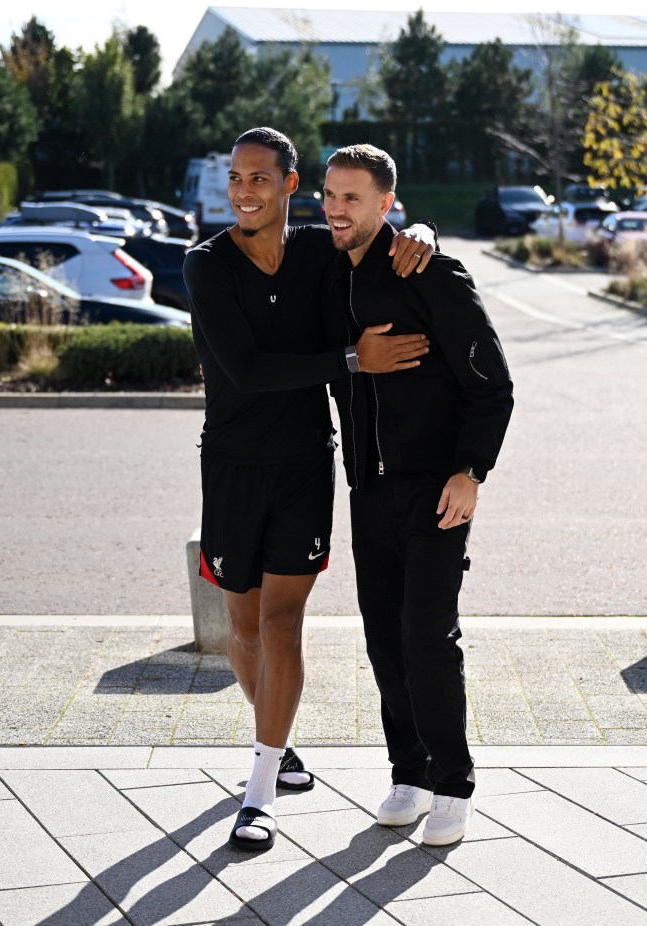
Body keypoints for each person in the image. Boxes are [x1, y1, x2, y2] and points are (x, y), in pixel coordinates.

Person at [182, 127, 438, 852]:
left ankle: (258, 789)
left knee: (281, 624)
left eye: (259, 178)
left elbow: (379, 226)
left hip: (303, 466)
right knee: (242, 624)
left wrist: (419, 228)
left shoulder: (318, 251)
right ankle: (279, 742)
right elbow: (247, 370)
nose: (243, 191)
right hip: (230, 466)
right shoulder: (206, 266)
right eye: (235, 178)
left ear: (289, 185)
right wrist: (355, 359)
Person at [321, 144, 514, 846]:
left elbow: (494, 387)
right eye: (330, 195)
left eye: (352, 198)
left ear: (385, 204)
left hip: (437, 489)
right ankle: (410, 770)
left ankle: (454, 783)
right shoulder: (329, 266)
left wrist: (470, 472)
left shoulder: (430, 271)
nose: (336, 209)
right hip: (367, 489)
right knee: (381, 638)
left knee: (426, 635)